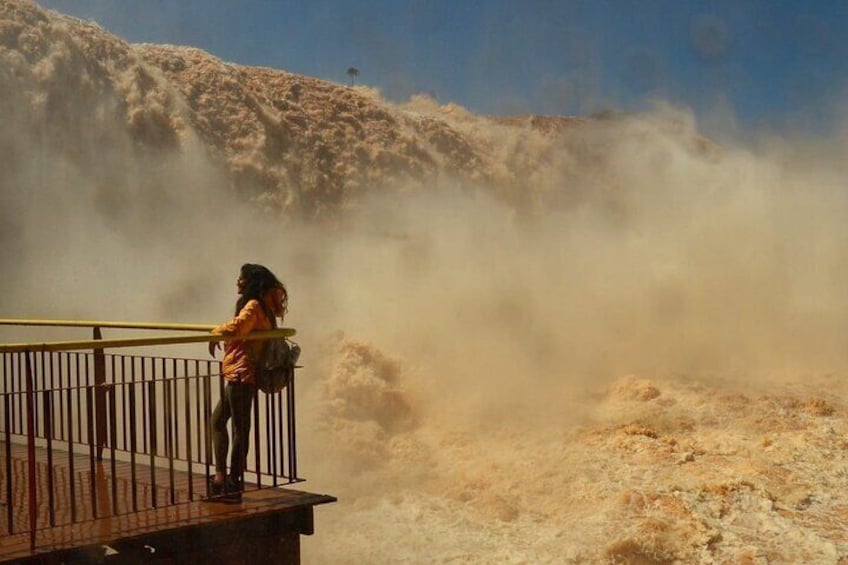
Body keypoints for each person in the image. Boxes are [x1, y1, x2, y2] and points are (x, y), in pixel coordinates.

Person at [207, 263, 287, 501]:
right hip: (239, 372)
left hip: (243, 373)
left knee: (237, 428)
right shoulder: (263, 307)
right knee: (221, 421)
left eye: (241, 279)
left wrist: (216, 332)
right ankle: (224, 478)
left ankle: (232, 483)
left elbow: (239, 327)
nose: (237, 282)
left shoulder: (253, 306)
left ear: (251, 282)